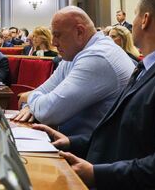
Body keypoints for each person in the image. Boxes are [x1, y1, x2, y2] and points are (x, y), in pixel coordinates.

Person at [32, 0, 155, 189]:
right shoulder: (151, 67)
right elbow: (128, 135)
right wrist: (72, 142)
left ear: (145, 19)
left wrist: (97, 174)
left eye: (135, 14)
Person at [13, 7, 134, 136]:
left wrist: (29, 98)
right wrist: (33, 105)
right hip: (72, 142)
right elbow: (45, 91)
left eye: (58, 35)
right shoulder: (74, 53)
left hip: (90, 152)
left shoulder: (98, 57)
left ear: (80, 32)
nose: (54, 42)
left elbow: (49, 112)